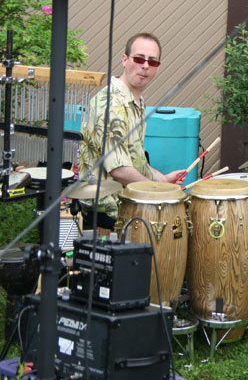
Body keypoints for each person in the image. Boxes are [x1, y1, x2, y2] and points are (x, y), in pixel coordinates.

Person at [78, 32, 185, 231]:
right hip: (108, 208)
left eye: (152, 62)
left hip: (126, 199)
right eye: (139, 58)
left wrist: (162, 179)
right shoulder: (112, 104)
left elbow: (133, 161)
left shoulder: (136, 102)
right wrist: (156, 191)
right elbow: (120, 170)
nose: (145, 65)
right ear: (125, 60)